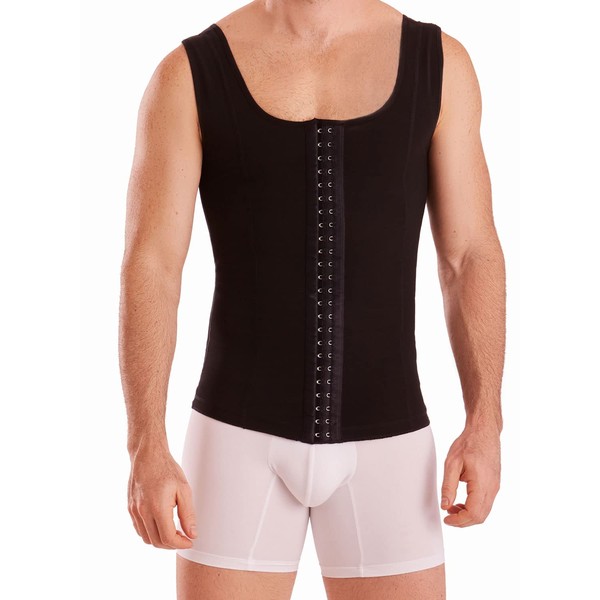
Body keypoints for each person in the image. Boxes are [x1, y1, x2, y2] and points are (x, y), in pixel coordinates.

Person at [119, 1, 505, 598]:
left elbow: (469, 254)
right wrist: (146, 444)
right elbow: (152, 265)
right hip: (235, 442)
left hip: (392, 451)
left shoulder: (440, 64)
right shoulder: (188, 73)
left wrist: (485, 422)